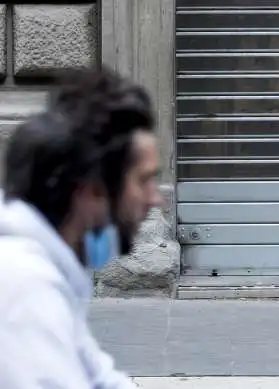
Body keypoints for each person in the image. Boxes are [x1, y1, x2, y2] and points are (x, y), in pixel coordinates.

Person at [0, 67, 163, 388]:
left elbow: (101, 377)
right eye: (144, 180)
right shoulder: (26, 286)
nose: (155, 198)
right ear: (92, 190)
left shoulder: (49, 270)